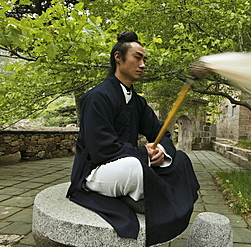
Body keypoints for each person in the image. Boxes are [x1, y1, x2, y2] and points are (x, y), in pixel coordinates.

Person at [67, 31, 199, 247]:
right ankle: (145, 196)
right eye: (137, 58)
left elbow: (161, 134)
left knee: (181, 159)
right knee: (133, 166)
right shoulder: (97, 97)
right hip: (96, 170)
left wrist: (160, 152)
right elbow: (102, 149)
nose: (143, 64)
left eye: (144, 59)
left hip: (128, 162)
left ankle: (140, 196)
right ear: (118, 57)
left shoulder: (138, 102)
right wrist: (142, 153)